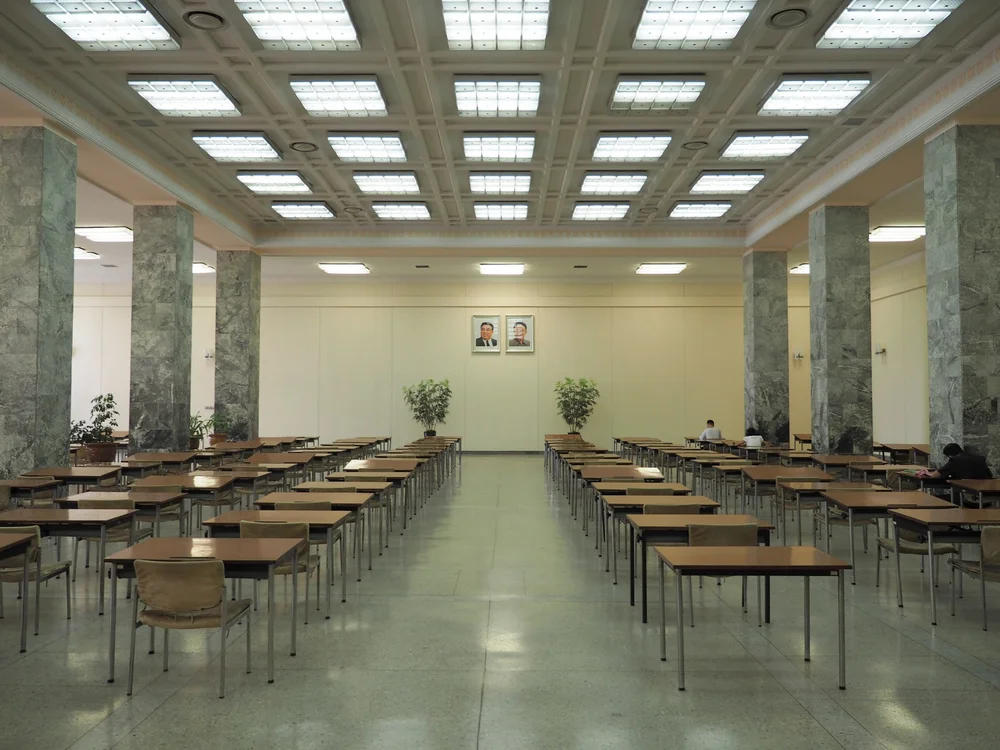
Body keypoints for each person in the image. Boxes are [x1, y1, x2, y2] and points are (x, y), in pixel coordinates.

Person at [919, 443, 993, 481]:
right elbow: (990, 475)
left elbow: (935, 475)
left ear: (950, 455)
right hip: (986, 495)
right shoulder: (980, 458)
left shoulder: (955, 460)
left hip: (967, 494)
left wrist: (927, 473)